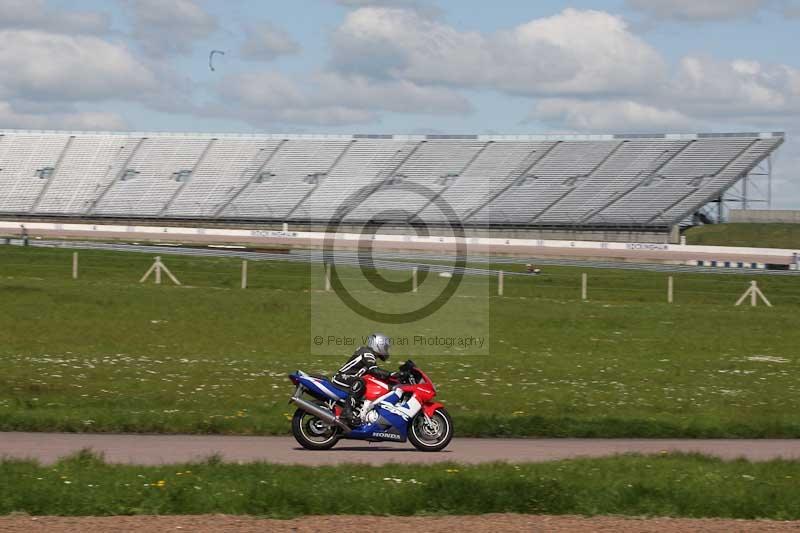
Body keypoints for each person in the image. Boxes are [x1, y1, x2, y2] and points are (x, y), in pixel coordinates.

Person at [332, 333, 395, 427]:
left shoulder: (367, 353)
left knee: (366, 382)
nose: (386, 350)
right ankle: (347, 412)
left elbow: (373, 373)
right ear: (378, 344)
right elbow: (374, 370)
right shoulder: (367, 353)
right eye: (385, 347)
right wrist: (392, 374)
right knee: (360, 382)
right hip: (342, 378)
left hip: (348, 379)